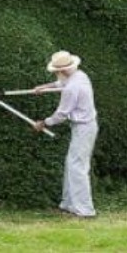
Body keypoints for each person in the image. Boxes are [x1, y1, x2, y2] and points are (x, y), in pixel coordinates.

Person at [32, 50, 98, 219]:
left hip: (84, 127)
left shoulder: (72, 88)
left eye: (55, 71)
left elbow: (61, 114)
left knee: (78, 167)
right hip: (83, 126)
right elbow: (61, 84)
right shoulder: (79, 75)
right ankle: (68, 205)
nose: (55, 73)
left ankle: (85, 210)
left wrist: (44, 123)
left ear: (61, 71)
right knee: (72, 164)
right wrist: (44, 87)